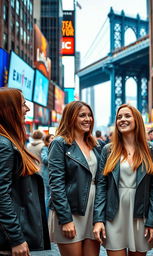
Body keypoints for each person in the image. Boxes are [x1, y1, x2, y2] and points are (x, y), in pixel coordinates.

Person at [93, 104, 153, 256]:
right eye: (119, 117)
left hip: (140, 213)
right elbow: (102, 186)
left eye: (127, 116)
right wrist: (98, 219)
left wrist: (152, 221)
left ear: (137, 120)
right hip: (114, 213)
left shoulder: (151, 150)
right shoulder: (108, 150)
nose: (122, 120)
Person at [48, 101, 103, 256]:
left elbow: (100, 181)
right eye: (82, 115)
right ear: (71, 118)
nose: (88, 119)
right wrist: (65, 220)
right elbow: (56, 184)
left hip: (92, 211)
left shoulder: (95, 144)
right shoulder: (60, 143)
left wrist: (99, 217)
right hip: (70, 212)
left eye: (89, 115)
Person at [0, 88, 50, 255]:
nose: (27, 109)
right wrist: (16, 238)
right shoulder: (5, 145)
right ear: (10, 110)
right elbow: (1, 194)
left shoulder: (7, 142)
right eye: (23, 105)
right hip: (8, 241)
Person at [41, 133, 54, 218]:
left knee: (50, 196)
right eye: (52, 138)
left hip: (52, 174)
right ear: (48, 140)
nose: (54, 139)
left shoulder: (53, 147)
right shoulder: (45, 148)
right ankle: (46, 216)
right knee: (48, 196)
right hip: (47, 175)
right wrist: (54, 157)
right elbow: (45, 159)